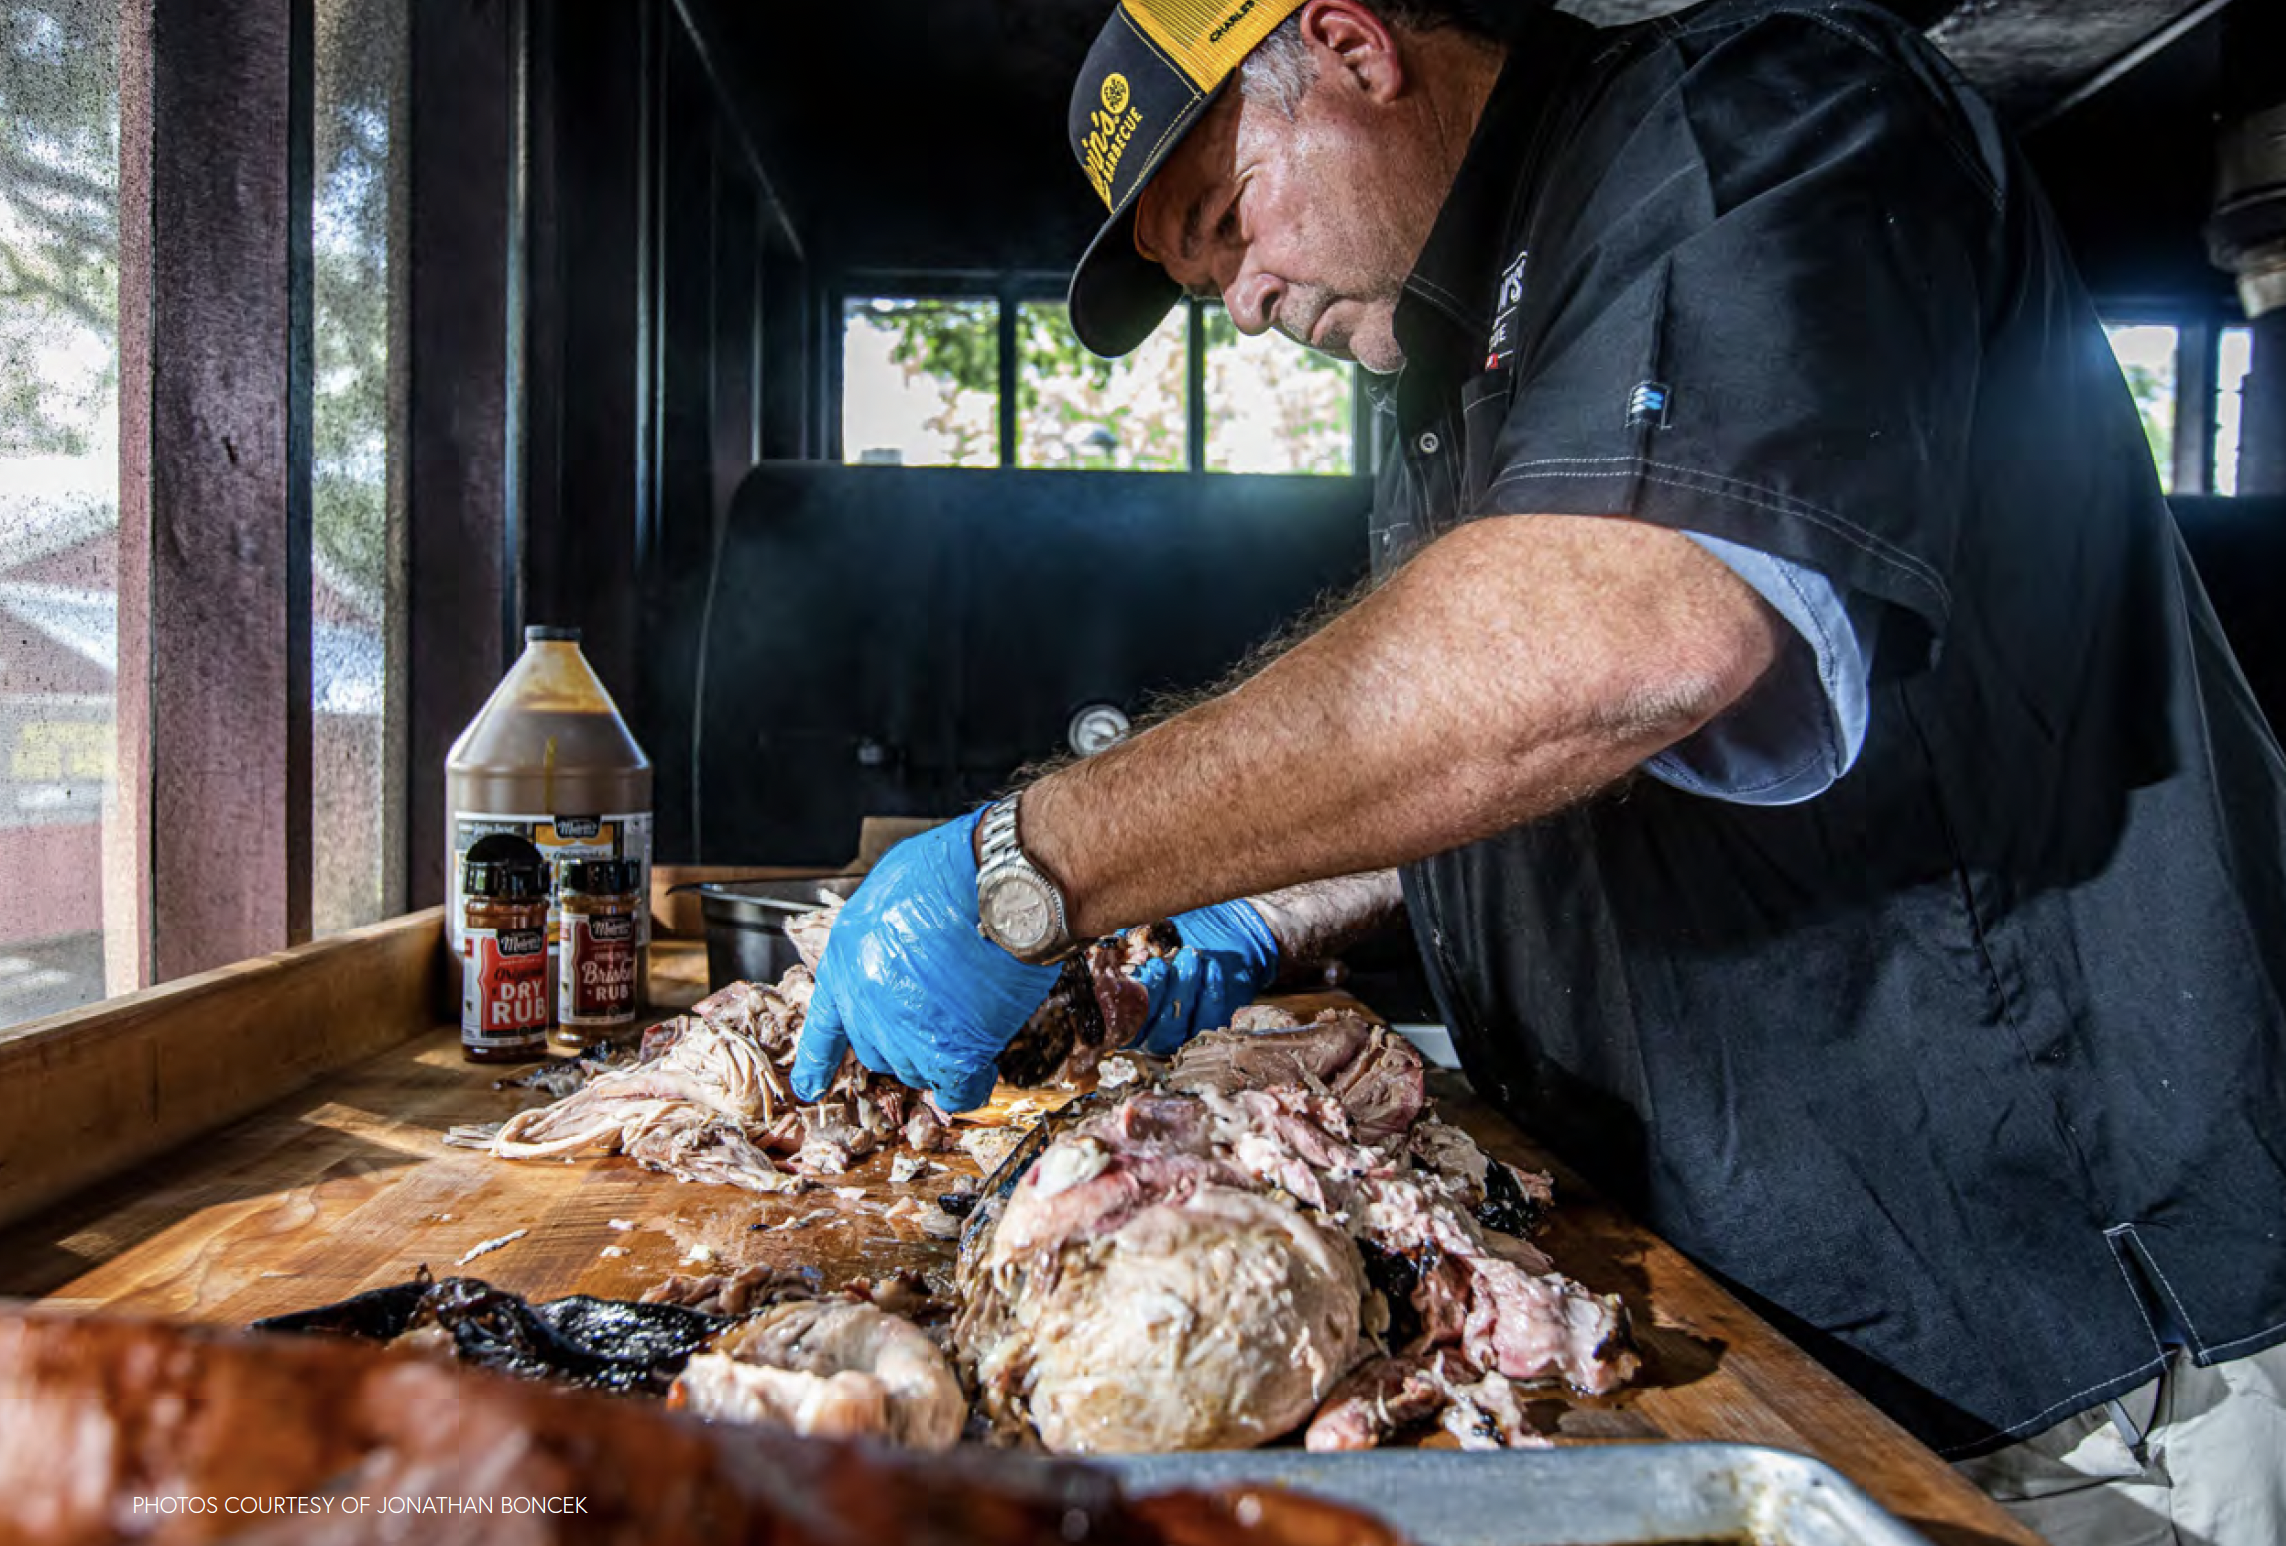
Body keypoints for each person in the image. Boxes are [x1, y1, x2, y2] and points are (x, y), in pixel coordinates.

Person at [791, 0, 2286, 1537]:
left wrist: (1035, 856)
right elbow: (1522, 751)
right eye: (1201, 280)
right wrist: (1264, 914)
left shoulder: (1748, 123)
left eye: (1228, 221)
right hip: (1791, 1308)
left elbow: (1627, 635)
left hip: (2087, 1337)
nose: (1238, 304)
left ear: (1354, 51)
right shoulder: (1450, 372)